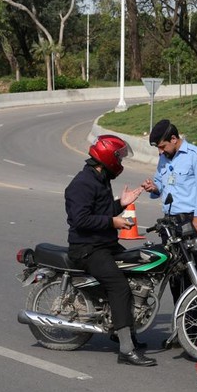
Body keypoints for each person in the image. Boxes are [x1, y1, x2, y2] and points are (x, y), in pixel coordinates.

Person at [65, 135, 157, 367]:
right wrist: (113, 222)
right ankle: (126, 349)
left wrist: (121, 204)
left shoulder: (100, 177)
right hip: (87, 248)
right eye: (119, 156)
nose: (121, 161)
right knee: (119, 286)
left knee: (137, 267)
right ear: (108, 157)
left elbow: (101, 211)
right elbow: (80, 220)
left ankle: (122, 327)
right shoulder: (82, 183)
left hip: (104, 243)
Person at [141, 119, 197, 304]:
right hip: (169, 223)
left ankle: (194, 324)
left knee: (192, 272)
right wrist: (154, 188)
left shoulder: (196, 156)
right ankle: (180, 319)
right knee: (173, 273)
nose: (160, 151)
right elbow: (161, 185)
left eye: (162, 146)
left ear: (174, 139)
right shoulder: (164, 158)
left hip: (190, 220)